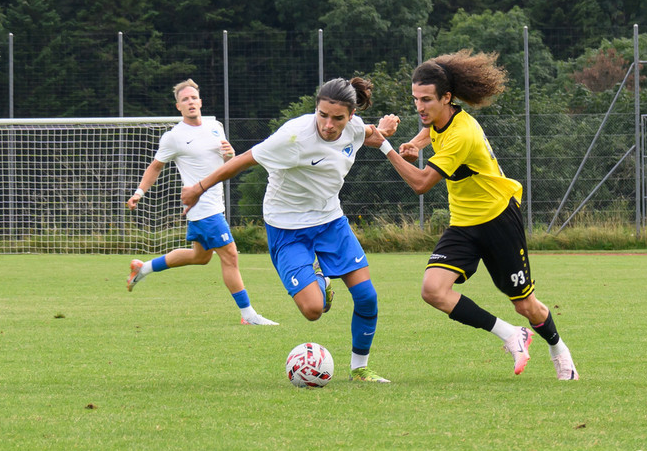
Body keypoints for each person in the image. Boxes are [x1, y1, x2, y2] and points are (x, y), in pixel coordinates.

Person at [372, 50, 579, 380]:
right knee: (433, 290)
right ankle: (511, 335)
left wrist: (386, 146)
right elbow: (432, 130)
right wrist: (414, 143)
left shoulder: (462, 134)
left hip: (499, 221)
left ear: (447, 98)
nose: (420, 107)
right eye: (415, 99)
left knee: (526, 305)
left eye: (426, 99)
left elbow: (422, 183)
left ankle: (558, 349)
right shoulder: (443, 119)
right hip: (464, 223)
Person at [181, 77, 400, 382]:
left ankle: (359, 369)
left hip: (331, 222)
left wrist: (386, 133)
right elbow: (243, 161)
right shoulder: (294, 136)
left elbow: (370, 135)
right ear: (316, 109)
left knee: (367, 297)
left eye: (337, 118)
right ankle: (321, 284)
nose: (328, 124)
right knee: (313, 310)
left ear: (350, 115)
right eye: (322, 115)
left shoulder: (354, 128)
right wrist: (199, 188)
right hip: (287, 227)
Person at [126, 79, 276, 326]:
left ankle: (143, 268)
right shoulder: (174, 137)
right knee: (230, 256)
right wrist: (139, 193)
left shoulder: (215, 126)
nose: (190, 102)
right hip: (203, 208)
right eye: (185, 99)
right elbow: (155, 167)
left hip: (216, 204)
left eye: (193, 98)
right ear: (178, 107)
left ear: (201, 102)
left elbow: (228, 162)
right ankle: (248, 315)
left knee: (200, 257)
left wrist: (230, 154)